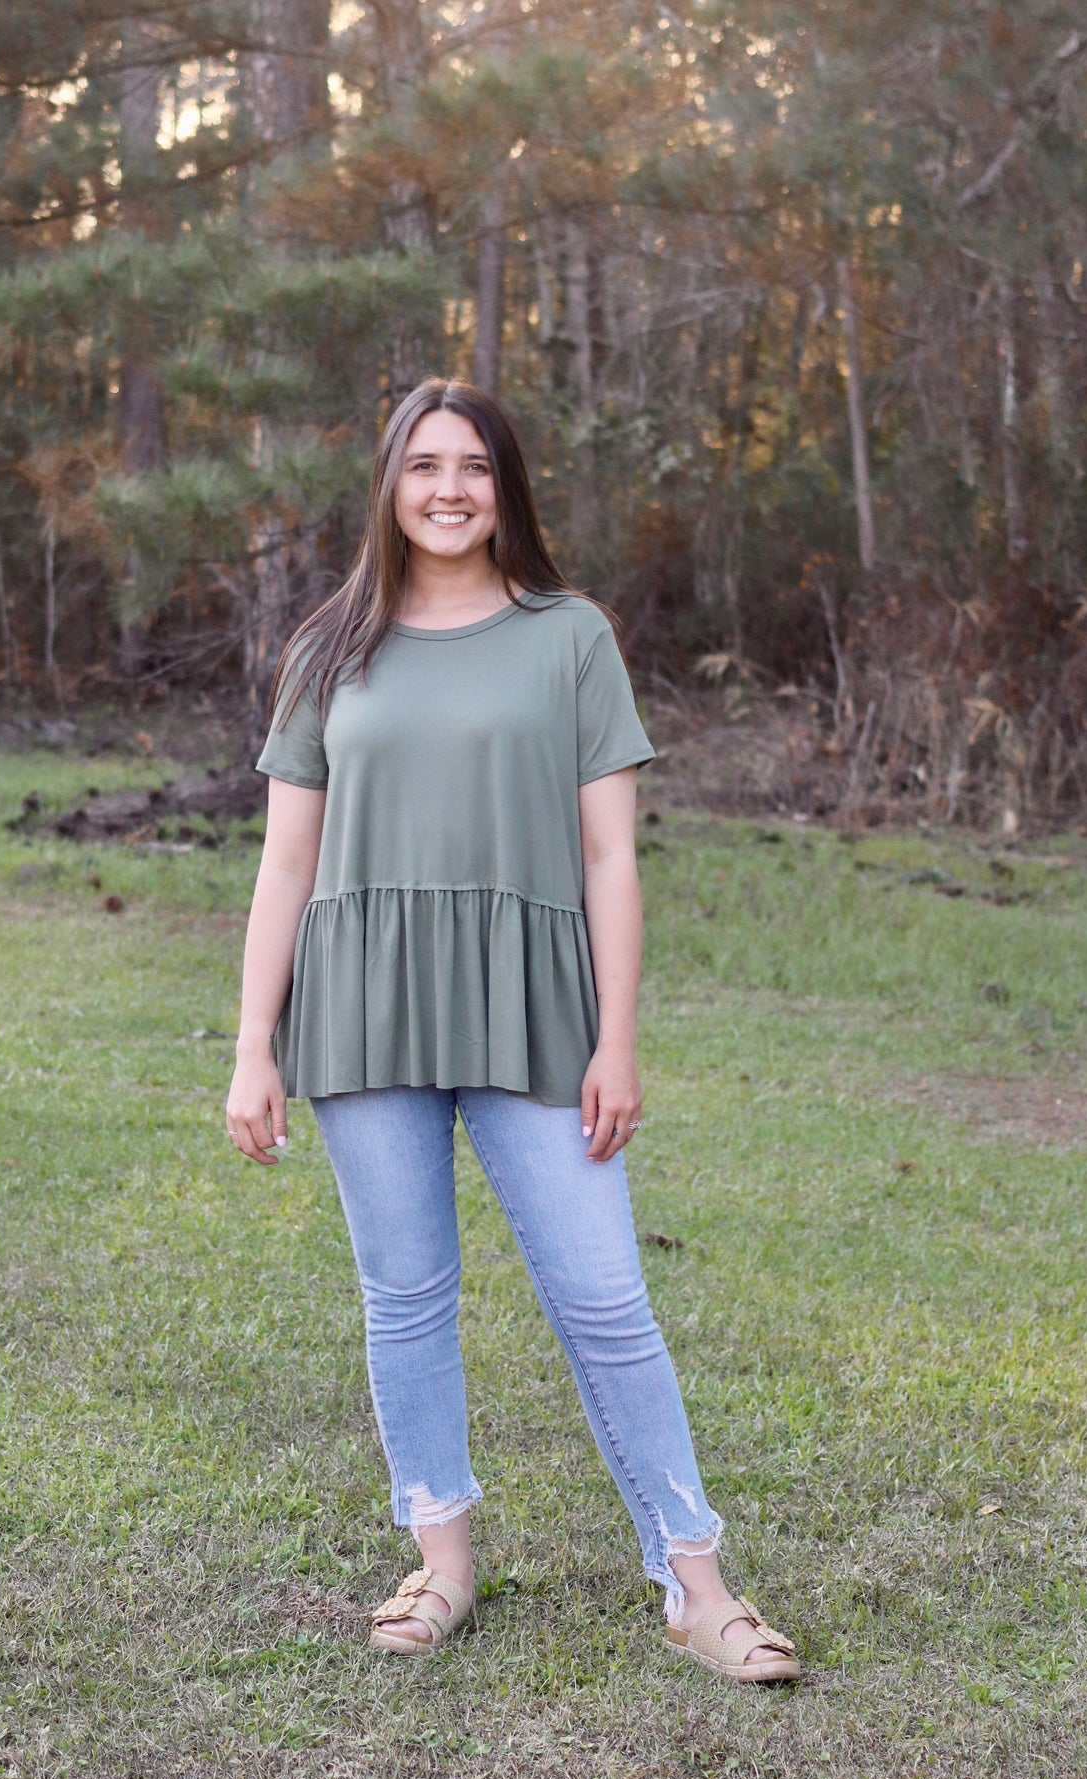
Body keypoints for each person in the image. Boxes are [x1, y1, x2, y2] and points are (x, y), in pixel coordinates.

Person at [224, 377, 800, 1683]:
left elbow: (609, 858)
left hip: (536, 1009)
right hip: (363, 1005)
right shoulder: (329, 648)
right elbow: (282, 865)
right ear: (388, 484)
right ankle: (443, 1559)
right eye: (422, 464)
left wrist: (616, 1036)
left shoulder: (569, 636)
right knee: (407, 1295)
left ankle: (694, 1585)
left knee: (604, 1296)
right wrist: (254, 1042)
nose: (446, 488)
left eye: (472, 466)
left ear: (505, 488)